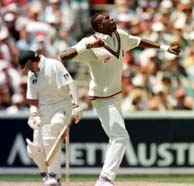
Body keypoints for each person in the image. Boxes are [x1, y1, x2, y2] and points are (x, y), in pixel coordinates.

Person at [59, 14, 181, 186]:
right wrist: (87, 45)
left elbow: (139, 42)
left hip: (116, 95)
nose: (112, 19)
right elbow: (63, 55)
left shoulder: (119, 35)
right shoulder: (90, 43)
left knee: (116, 137)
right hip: (102, 98)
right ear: (100, 27)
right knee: (120, 137)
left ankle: (105, 179)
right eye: (107, 19)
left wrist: (165, 47)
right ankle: (105, 179)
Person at [18, 50, 80, 186]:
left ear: (31, 62)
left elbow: (71, 84)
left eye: (28, 66)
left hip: (62, 106)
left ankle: (53, 175)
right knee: (34, 149)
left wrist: (76, 106)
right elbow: (33, 100)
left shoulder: (54, 65)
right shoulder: (31, 75)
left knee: (54, 128)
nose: (28, 70)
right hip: (42, 110)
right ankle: (46, 176)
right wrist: (34, 114)